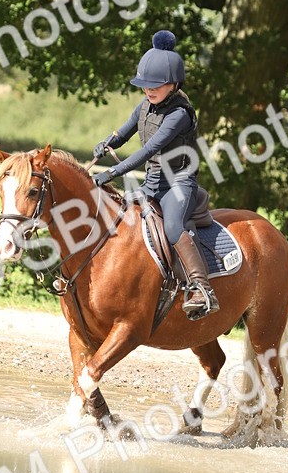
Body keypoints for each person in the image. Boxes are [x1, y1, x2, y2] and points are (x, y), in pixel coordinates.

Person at [92, 30, 220, 319]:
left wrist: (112, 171)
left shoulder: (179, 114)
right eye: (144, 85)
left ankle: (202, 289)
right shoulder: (145, 106)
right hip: (153, 182)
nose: (149, 90)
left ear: (174, 84)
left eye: (156, 85)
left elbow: (149, 150)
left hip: (179, 183)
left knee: (174, 227)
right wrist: (106, 144)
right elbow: (124, 133)